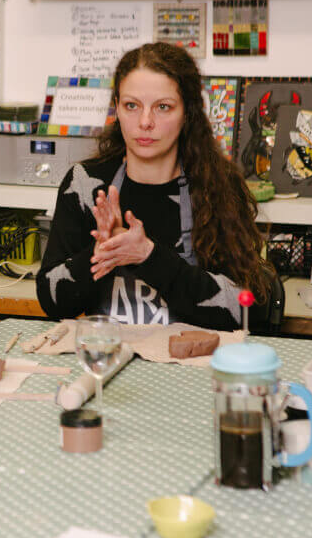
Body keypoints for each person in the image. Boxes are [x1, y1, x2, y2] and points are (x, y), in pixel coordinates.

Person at [36, 42, 270, 330]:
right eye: (131, 105)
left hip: (191, 366)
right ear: (117, 109)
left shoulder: (215, 186)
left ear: (188, 112)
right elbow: (52, 302)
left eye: (163, 107)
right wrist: (100, 253)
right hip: (109, 360)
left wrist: (149, 256)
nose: (145, 122)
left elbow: (250, 308)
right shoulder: (86, 184)